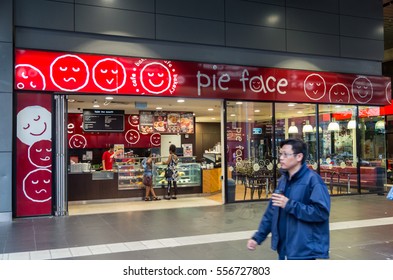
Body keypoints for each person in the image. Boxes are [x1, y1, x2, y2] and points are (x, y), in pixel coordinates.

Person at [247, 138, 330, 260]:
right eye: (280, 154)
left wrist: (289, 204)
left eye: (286, 154)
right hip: (284, 248)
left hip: (303, 250)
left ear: (299, 157)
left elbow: (321, 212)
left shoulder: (313, 180)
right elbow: (271, 212)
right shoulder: (283, 180)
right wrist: (257, 237)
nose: (281, 157)